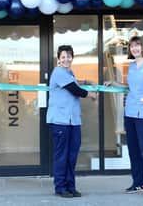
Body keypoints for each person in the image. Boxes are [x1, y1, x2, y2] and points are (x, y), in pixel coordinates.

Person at [105, 36, 143, 200]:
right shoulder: (131, 67)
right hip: (130, 113)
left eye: (137, 46)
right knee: (133, 149)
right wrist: (114, 82)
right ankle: (139, 182)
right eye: (132, 47)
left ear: (142, 47)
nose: (135, 49)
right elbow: (130, 87)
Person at [47, 45, 97, 198]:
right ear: (59, 59)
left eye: (69, 56)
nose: (66, 59)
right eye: (63, 57)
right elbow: (75, 89)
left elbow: (75, 83)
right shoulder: (58, 72)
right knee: (62, 156)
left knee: (72, 156)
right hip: (60, 121)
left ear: (72, 58)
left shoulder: (69, 72)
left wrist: (86, 81)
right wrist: (91, 94)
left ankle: (70, 186)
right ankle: (60, 187)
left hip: (73, 122)